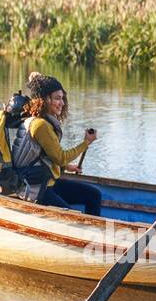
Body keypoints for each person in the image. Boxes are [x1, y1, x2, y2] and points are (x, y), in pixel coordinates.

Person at [22, 72, 103, 216]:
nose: (62, 103)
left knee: (94, 195)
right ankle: (86, 232)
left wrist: (66, 167)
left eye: (62, 98)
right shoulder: (40, 125)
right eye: (57, 98)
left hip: (51, 183)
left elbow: (45, 156)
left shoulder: (43, 120)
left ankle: (91, 230)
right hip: (40, 189)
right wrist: (86, 143)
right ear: (45, 99)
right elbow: (61, 157)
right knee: (74, 217)